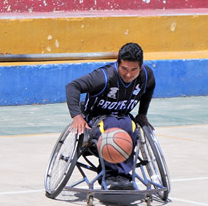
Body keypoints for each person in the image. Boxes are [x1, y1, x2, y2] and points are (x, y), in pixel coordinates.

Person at [65, 42, 156, 190]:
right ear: (118, 63)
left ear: (141, 67)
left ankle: (123, 176)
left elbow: (150, 88)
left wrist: (142, 114)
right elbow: (72, 86)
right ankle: (109, 175)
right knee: (113, 127)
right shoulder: (103, 77)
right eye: (124, 69)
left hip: (123, 117)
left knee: (131, 127)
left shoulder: (146, 75)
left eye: (134, 70)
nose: (128, 74)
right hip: (96, 118)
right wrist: (77, 116)